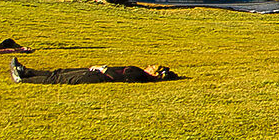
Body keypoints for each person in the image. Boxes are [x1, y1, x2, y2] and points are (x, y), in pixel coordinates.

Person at [11, 59, 178, 84]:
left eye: (153, 67)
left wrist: (102, 69)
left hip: (95, 75)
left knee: (59, 78)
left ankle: (23, 79)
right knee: (59, 71)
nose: (149, 66)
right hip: (96, 71)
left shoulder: (138, 75)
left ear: (155, 74)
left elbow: (118, 77)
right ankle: (26, 71)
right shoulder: (141, 72)